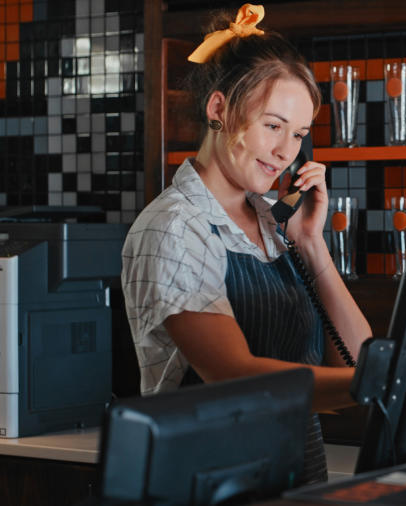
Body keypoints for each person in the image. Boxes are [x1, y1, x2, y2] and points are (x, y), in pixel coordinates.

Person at [121, 3, 371, 483]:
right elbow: (233, 377)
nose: (285, 152)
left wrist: (311, 245)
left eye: (299, 134)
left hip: (294, 476)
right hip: (210, 481)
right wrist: (381, 381)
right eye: (272, 126)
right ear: (219, 110)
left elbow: (357, 360)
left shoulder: (275, 227)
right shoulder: (177, 228)